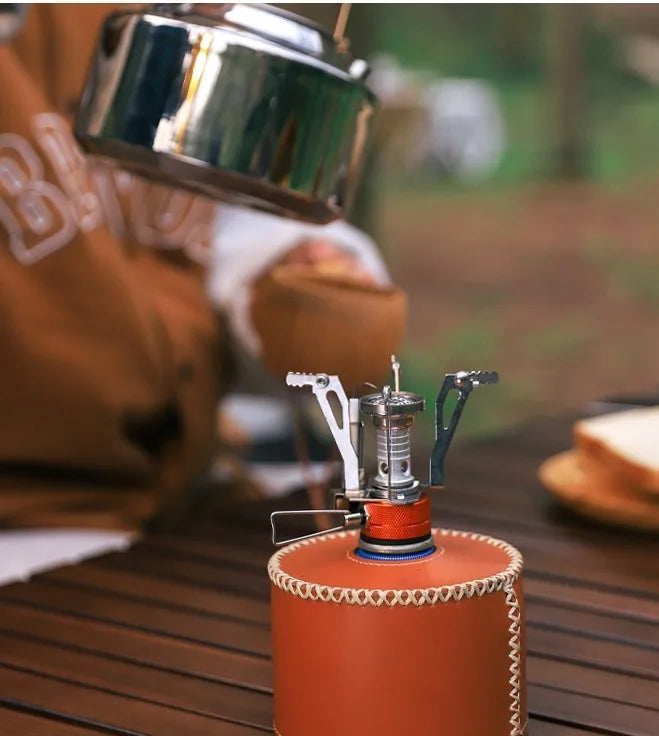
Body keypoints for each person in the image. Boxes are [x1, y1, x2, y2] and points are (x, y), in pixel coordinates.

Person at [0, 4, 405, 574]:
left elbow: (233, 219)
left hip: (180, 496)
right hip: (25, 524)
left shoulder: (188, 22)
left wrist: (300, 273)